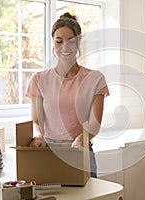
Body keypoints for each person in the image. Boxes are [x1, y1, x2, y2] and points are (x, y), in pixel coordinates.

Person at [25, 12, 110, 178]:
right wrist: (39, 136)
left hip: (81, 151)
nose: (65, 47)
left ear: (78, 43)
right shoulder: (39, 79)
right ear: (53, 43)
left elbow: (95, 123)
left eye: (71, 41)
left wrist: (81, 139)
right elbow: (37, 121)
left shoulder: (95, 79)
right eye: (59, 41)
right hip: (49, 154)